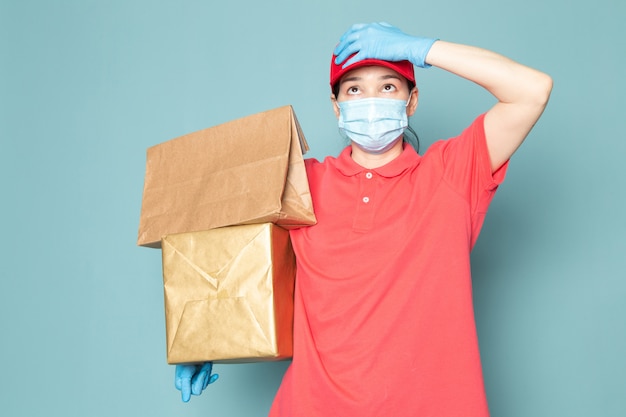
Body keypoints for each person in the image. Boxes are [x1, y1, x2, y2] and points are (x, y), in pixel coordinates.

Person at [174, 22, 553, 416]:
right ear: (337, 106)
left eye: (388, 86)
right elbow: (237, 257)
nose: (371, 98)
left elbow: (531, 90)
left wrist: (421, 49)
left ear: (412, 100)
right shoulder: (301, 183)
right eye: (354, 88)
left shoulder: (453, 174)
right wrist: (206, 338)